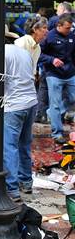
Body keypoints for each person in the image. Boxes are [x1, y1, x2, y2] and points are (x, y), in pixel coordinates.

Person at [1, 43, 38, 202]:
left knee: (9, 146)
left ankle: (12, 188)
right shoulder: (24, 53)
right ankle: (26, 182)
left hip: (14, 104)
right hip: (31, 101)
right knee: (24, 143)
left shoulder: (0, 53)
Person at [38, 15, 75, 144]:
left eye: (70, 28)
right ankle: (57, 133)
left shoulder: (71, 35)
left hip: (70, 73)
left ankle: (52, 112)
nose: (69, 30)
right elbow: (39, 54)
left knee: (72, 99)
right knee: (55, 104)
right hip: (53, 74)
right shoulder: (49, 37)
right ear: (59, 26)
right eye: (67, 28)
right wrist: (51, 60)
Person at [15, 16, 49, 123]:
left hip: (27, 86)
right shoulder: (21, 43)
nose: (47, 31)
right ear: (35, 29)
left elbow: (32, 69)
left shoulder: (37, 47)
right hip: (17, 88)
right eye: (44, 28)